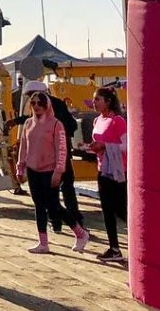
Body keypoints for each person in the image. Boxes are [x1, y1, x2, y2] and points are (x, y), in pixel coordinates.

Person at [16, 89, 91, 255]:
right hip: (33, 170)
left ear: (47, 104)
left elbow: (62, 149)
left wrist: (59, 171)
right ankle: (43, 242)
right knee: (39, 206)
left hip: (50, 171)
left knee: (53, 205)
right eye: (33, 103)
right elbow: (23, 146)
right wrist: (20, 167)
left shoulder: (57, 124)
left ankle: (80, 232)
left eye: (40, 103)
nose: (36, 106)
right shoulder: (28, 123)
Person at [23, 78, 85, 235]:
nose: (34, 104)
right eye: (32, 100)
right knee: (65, 190)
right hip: (54, 158)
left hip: (55, 159)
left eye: (34, 97)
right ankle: (74, 220)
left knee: (52, 198)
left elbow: (69, 126)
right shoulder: (52, 107)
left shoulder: (53, 117)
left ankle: (66, 224)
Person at [84, 86, 127, 263]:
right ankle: (114, 247)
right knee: (107, 210)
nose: (94, 103)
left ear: (107, 101)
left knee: (121, 210)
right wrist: (92, 148)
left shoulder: (117, 121)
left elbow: (127, 145)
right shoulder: (97, 121)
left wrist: (105, 146)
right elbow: (99, 142)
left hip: (118, 170)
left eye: (97, 99)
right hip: (103, 168)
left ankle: (141, 241)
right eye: (94, 100)